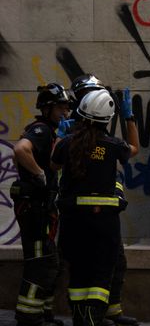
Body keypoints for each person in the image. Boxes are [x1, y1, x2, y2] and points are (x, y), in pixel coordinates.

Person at [51, 90, 139, 326]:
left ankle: (82, 319)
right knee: (101, 275)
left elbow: (53, 163)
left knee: (78, 274)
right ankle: (92, 318)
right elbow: (134, 149)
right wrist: (129, 118)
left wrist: (60, 136)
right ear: (107, 119)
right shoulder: (112, 145)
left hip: (73, 223)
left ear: (80, 114)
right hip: (103, 225)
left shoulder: (68, 143)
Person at [12, 83, 72, 326]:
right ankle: (28, 314)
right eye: (60, 107)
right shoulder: (41, 130)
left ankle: (43, 312)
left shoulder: (54, 131)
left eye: (66, 107)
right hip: (34, 208)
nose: (65, 112)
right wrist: (39, 174)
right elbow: (20, 149)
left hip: (43, 208)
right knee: (40, 262)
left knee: (50, 261)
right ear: (47, 108)